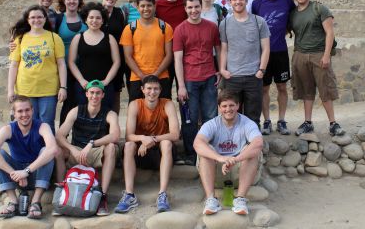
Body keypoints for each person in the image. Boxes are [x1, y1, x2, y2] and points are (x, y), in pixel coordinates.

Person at [114, 75, 179, 213]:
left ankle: (162, 194)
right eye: (149, 88)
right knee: (129, 145)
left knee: (167, 143)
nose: (152, 92)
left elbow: (175, 134)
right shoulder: (135, 104)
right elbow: (128, 136)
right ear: (142, 89)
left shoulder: (167, 104)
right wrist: (143, 138)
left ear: (160, 90)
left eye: (156, 89)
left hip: (160, 153)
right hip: (140, 153)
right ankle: (129, 195)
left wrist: (152, 140)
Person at [0, 95, 58, 219]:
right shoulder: (8, 129)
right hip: (17, 177)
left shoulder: (42, 126)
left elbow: (53, 149)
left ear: (32, 110)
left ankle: (35, 202)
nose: (24, 114)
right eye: (20, 111)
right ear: (14, 113)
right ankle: (13, 202)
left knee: (47, 151)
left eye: (27, 110)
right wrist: (14, 173)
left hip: (37, 174)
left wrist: (26, 171)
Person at [55, 79, 120, 216]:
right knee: (58, 150)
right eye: (91, 92)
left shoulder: (110, 113)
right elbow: (60, 135)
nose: (94, 96)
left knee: (112, 148)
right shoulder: (76, 111)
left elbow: (115, 135)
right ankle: (61, 191)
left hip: (95, 151)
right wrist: (72, 149)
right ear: (86, 94)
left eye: (98, 93)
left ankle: (103, 195)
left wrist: (92, 143)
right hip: (77, 151)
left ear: (103, 95)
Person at [194, 90, 263, 216]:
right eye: (224, 106)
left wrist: (235, 159)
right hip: (218, 173)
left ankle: (240, 199)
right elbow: (197, 143)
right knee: (205, 151)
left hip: (240, 172)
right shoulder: (212, 124)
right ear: (219, 108)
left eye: (231, 105)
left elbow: (258, 143)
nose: (228, 109)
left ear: (238, 105)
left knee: (253, 152)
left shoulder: (247, 123)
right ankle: (211, 199)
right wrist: (220, 158)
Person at [289, 0, 345, 136]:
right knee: (306, 90)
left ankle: (333, 123)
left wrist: (326, 55)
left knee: (325, 88)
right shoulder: (293, 13)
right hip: (300, 55)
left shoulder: (319, 9)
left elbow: (330, 32)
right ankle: (308, 123)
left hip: (319, 54)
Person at [173, 0, 221, 165]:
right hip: (189, 81)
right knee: (189, 119)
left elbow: (218, 50)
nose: (194, 10)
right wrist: (181, 86)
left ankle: (209, 151)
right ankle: (191, 154)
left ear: (201, 7)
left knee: (211, 116)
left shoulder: (211, 27)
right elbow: (178, 59)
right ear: (185, 9)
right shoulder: (180, 30)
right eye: (190, 7)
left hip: (209, 77)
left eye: (196, 7)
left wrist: (219, 70)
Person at [8, 5, 67, 134]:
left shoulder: (54, 38)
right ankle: (31, 153)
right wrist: (10, 90)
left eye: (40, 17)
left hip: (48, 89)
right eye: (33, 17)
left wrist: (63, 87)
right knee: (27, 123)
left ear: (45, 19)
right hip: (25, 89)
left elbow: (61, 64)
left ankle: (48, 152)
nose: (36, 20)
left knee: (47, 123)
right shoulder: (20, 39)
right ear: (28, 20)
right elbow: (14, 65)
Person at [252, 0, 296, 135]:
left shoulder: (287, 0)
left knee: (282, 87)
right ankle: (267, 121)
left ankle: (282, 120)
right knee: (263, 89)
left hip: (280, 51)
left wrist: (287, 30)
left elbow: (293, 18)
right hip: (263, 53)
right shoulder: (257, 3)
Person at [219, 0, 270, 127]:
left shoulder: (259, 21)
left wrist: (261, 70)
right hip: (232, 77)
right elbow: (224, 49)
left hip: (253, 76)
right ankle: (235, 145)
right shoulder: (224, 24)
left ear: (246, 1)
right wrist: (222, 70)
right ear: (230, 2)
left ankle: (253, 145)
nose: (238, 2)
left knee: (253, 116)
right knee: (231, 115)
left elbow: (266, 48)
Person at [120, 0, 173, 102]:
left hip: (161, 76)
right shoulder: (130, 29)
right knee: (136, 112)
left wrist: (155, 75)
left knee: (163, 112)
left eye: (149, 5)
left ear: (154, 6)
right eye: (142, 6)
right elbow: (128, 57)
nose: (146, 9)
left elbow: (169, 55)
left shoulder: (165, 27)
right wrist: (142, 76)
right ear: (137, 8)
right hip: (137, 77)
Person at [68, 2, 120, 110]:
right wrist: (81, 80)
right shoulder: (78, 38)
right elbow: (71, 62)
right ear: (86, 20)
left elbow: (117, 62)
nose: (94, 21)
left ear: (102, 20)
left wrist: (106, 81)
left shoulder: (110, 38)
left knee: (105, 117)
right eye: (91, 17)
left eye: (98, 18)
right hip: (83, 86)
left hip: (105, 86)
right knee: (82, 115)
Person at [55, 0, 88, 125]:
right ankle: (64, 136)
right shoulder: (57, 19)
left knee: (84, 101)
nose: (72, 1)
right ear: (64, 1)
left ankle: (81, 135)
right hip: (65, 68)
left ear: (79, 0)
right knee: (68, 102)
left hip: (84, 67)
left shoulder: (86, 17)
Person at [155, 0, 188, 97]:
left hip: (182, 53)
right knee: (164, 92)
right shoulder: (157, 4)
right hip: (164, 54)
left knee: (184, 92)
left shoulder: (184, 3)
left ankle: (186, 117)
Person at [101, 0, 128, 113]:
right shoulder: (95, 11)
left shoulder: (120, 13)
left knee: (115, 93)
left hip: (117, 58)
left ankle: (113, 126)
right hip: (99, 57)